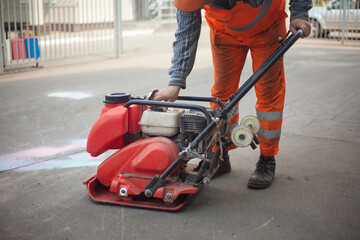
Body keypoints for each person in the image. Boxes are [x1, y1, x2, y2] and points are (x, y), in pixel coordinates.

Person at [153, 0, 312, 189]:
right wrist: (175, 83)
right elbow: (186, 33)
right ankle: (219, 156)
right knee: (222, 97)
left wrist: (300, 13)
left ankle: (267, 159)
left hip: (267, 28)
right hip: (224, 33)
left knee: (269, 94)